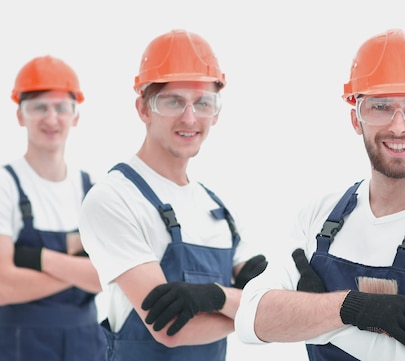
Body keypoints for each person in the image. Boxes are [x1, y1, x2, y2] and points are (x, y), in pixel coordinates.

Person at [234, 29, 405, 360]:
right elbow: (250, 318)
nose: (398, 126)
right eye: (380, 106)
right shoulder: (320, 214)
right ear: (356, 118)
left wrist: (308, 313)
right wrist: (352, 308)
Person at [78, 29, 267, 360]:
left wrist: (228, 300)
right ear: (143, 109)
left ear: (216, 112)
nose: (190, 118)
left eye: (203, 103)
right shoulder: (113, 199)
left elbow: (271, 290)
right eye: (173, 101)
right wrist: (254, 312)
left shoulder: (216, 208)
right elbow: (170, 329)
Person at [0, 55, 106, 360]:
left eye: (61, 107)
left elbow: (110, 279)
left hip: (87, 344)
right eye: (39, 108)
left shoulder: (91, 189)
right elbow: (4, 286)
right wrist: (83, 270)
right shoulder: (6, 184)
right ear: (20, 115)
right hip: (20, 346)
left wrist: (38, 258)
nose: (51, 118)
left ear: (75, 115)